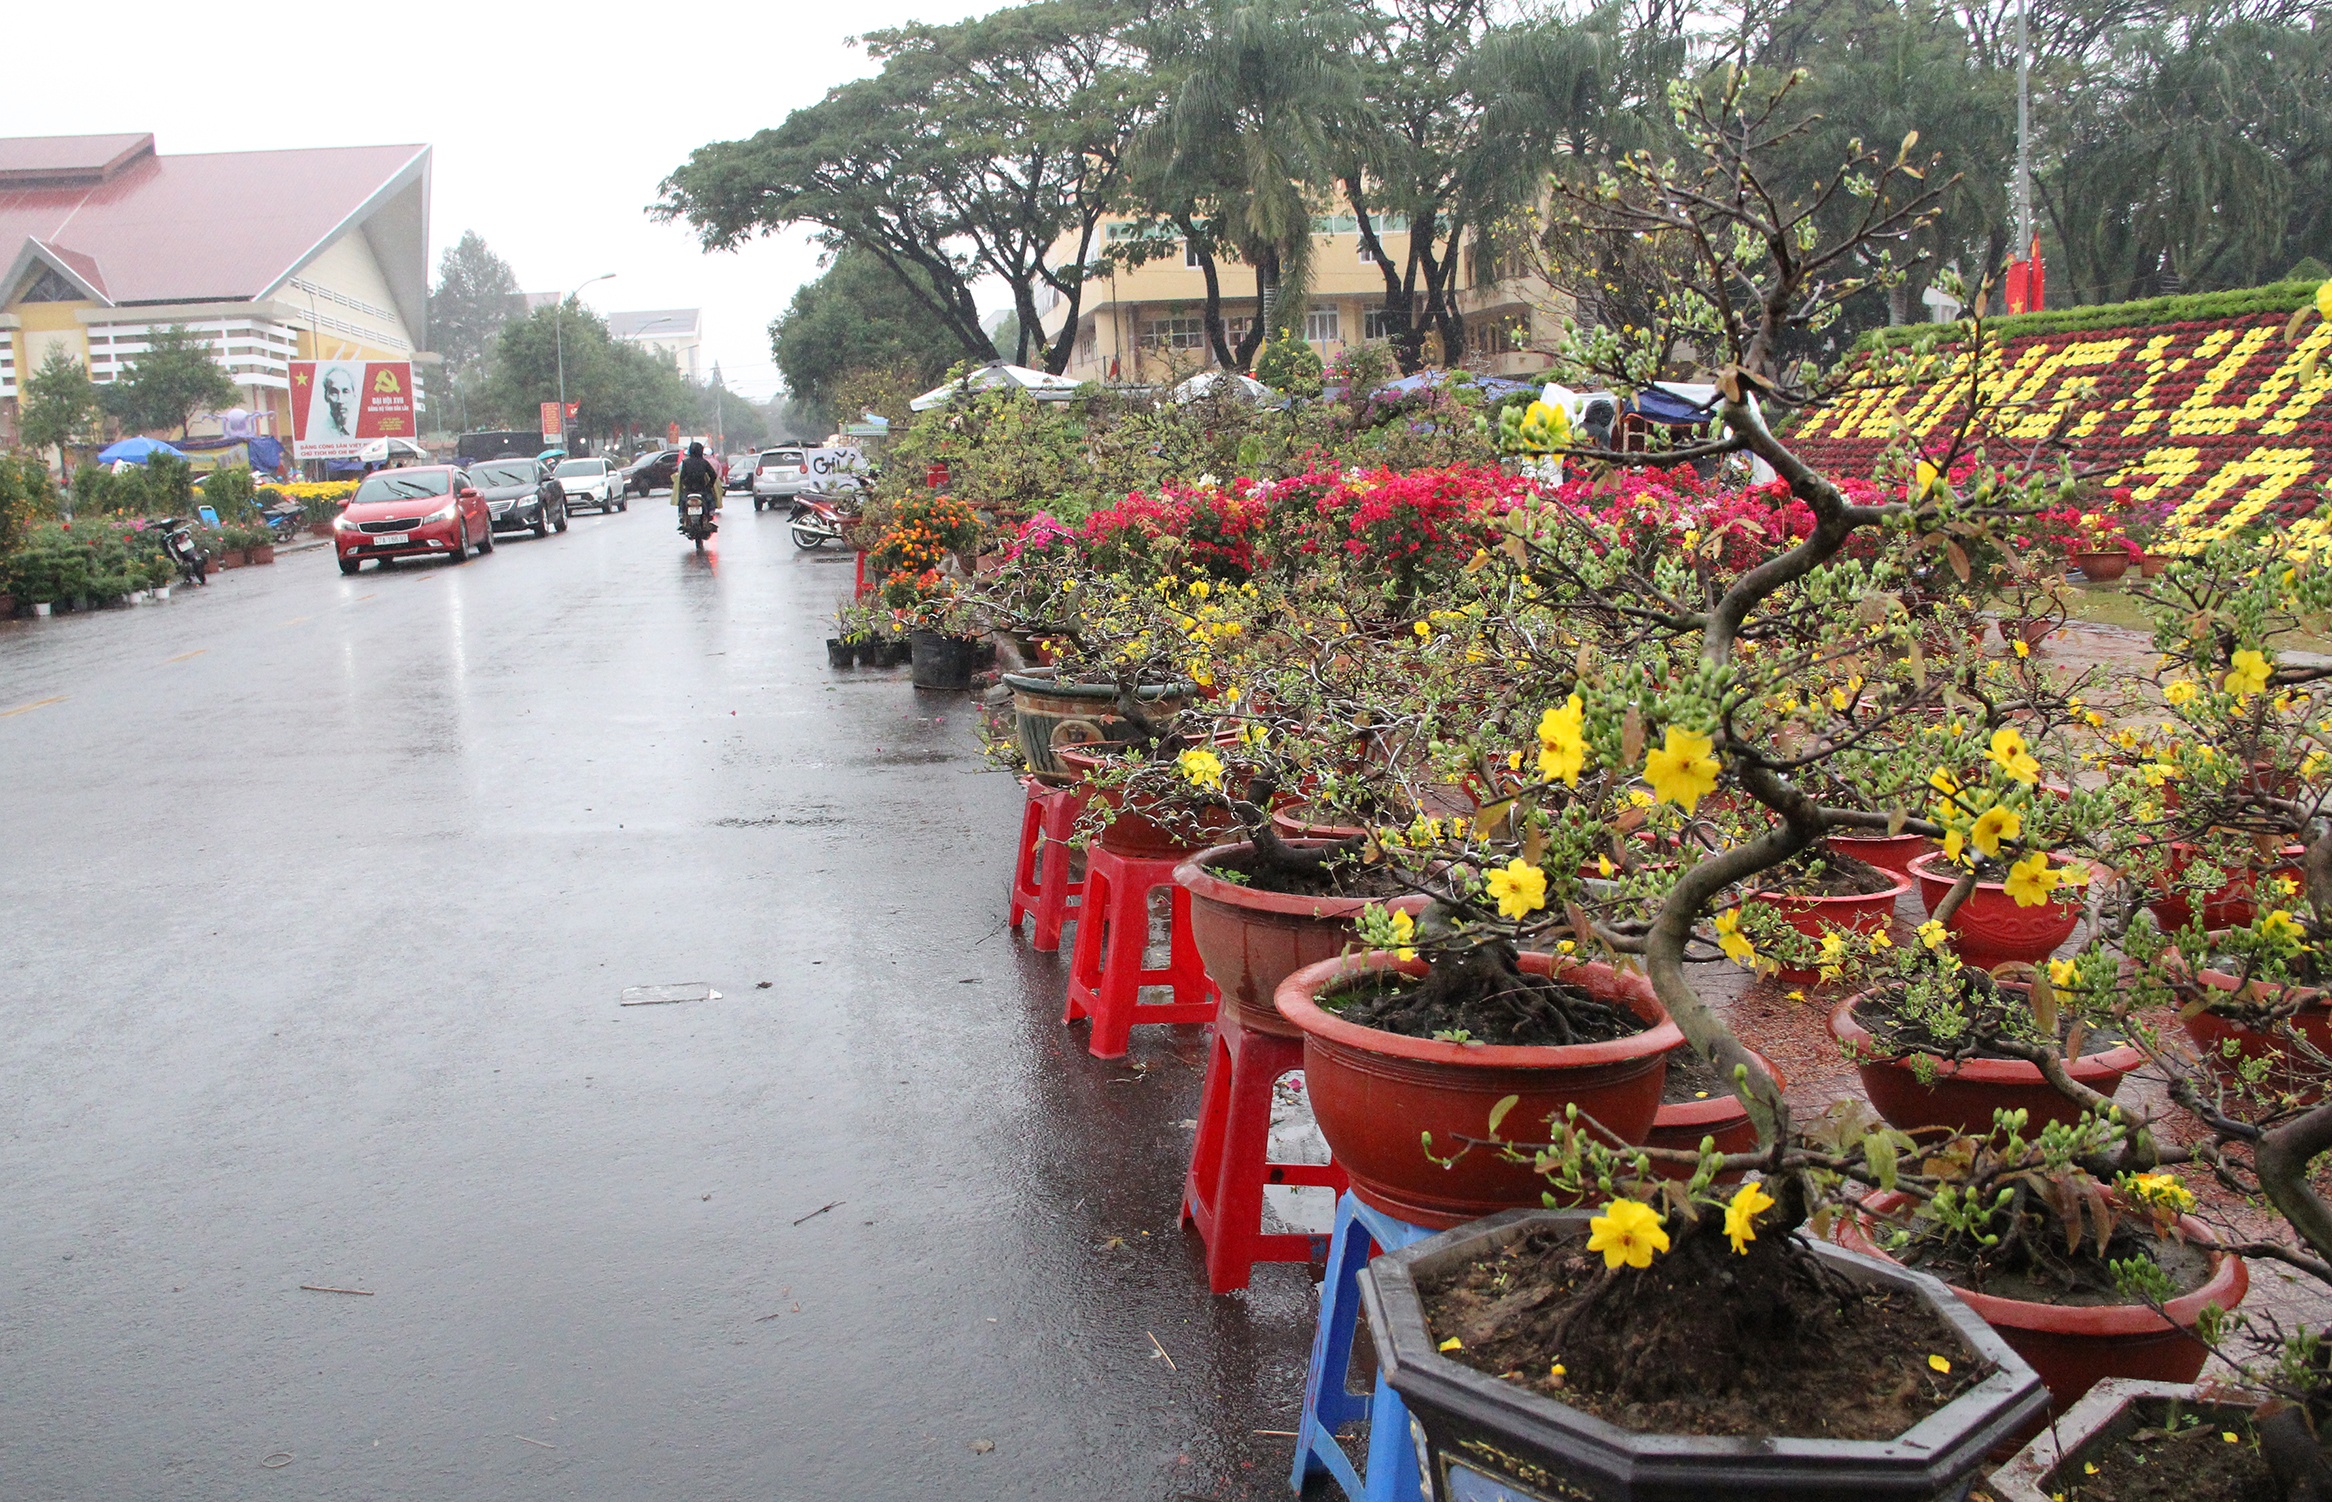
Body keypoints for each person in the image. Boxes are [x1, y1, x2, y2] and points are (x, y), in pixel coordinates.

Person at [675, 441, 721, 534]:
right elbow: (713, 475)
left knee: (682, 500)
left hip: (689, 490)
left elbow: (682, 477)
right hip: (702, 489)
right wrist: (709, 486)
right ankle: (711, 516)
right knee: (711, 500)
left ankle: (681, 516)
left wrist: (685, 485)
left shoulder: (685, 463)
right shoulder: (704, 463)